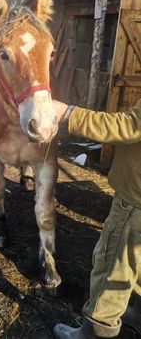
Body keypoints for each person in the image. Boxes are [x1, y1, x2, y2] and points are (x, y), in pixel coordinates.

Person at [52, 98, 141, 339]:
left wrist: (67, 113)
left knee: (112, 264)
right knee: (138, 262)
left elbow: (127, 126)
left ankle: (95, 330)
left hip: (135, 202)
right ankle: (139, 315)